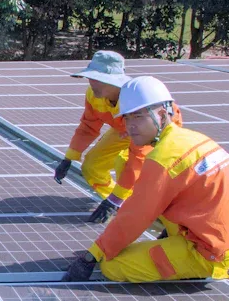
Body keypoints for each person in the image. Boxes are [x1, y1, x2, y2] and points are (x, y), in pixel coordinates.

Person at [62, 76, 229, 283]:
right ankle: (179, 242)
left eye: (139, 117)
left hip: (210, 250)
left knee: (112, 266)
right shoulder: (192, 138)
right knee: (127, 166)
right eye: (127, 119)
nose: (130, 126)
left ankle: (193, 265)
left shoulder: (164, 159)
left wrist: (92, 256)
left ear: (162, 115)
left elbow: (135, 216)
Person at [53, 50, 182, 223]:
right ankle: (126, 206)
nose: (91, 83)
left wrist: (116, 199)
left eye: (97, 79)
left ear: (114, 82)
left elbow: (137, 158)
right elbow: (88, 126)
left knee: (129, 166)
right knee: (92, 166)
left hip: (154, 131)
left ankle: (158, 213)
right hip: (122, 129)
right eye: (90, 78)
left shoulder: (137, 101)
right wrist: (69, 158)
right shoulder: (93, 96)